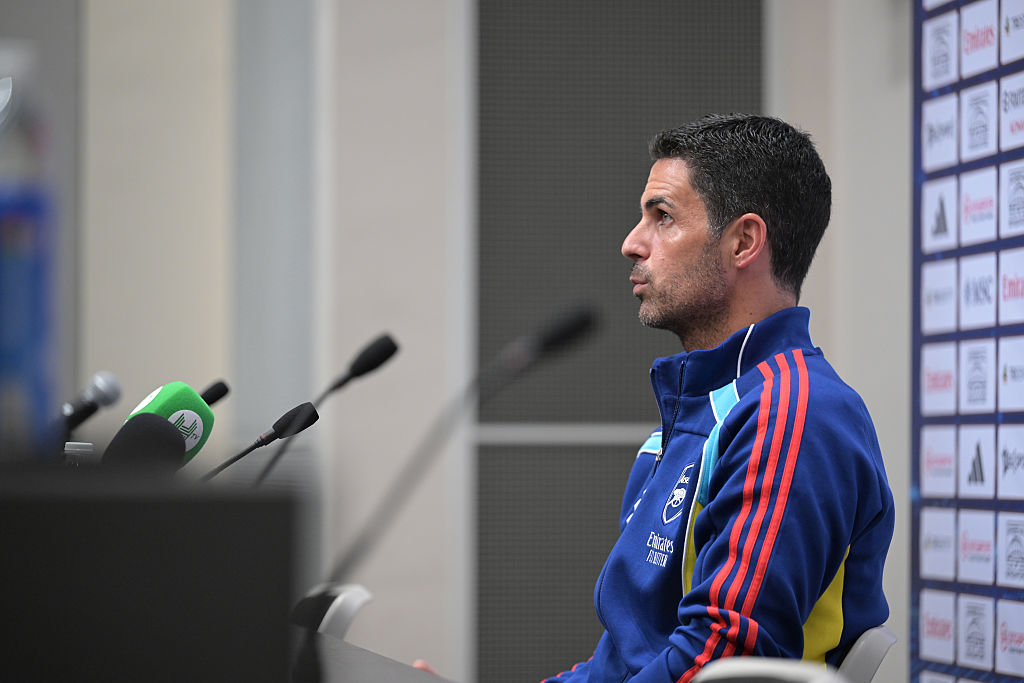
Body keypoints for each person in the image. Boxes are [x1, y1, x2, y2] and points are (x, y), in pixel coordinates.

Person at [543, 114, 894, 682]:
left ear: (742, 242)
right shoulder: (702, 409)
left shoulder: (792, 413)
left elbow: (722, 659)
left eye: (663, 217)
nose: (632, 243)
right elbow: (626, 656)